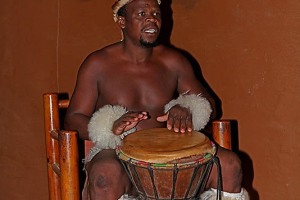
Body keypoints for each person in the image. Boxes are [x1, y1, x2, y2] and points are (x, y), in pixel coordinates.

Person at [65, 0, 249, 199]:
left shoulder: (173, 61)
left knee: (230, 165)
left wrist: (187, 108)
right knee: (105, 175)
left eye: (156, 14)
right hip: (116, 151)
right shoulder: (97, 64)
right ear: (122, 21)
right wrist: (111, 127)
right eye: (142, 14)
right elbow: (73, 118)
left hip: (171, 151)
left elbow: (210, 105)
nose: (151, 19)